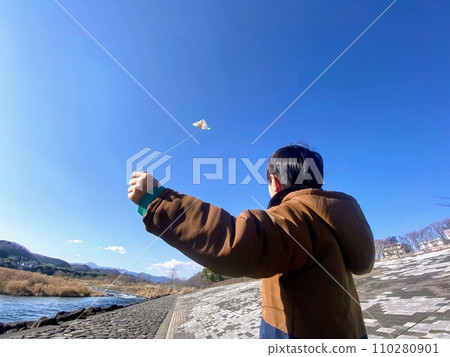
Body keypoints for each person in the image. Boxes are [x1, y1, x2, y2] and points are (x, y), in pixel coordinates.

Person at [128, 144, 375, 339]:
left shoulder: (300, 215)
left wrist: (158, 200)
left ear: (275, 183)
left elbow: (237, 240)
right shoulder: (333, 217)